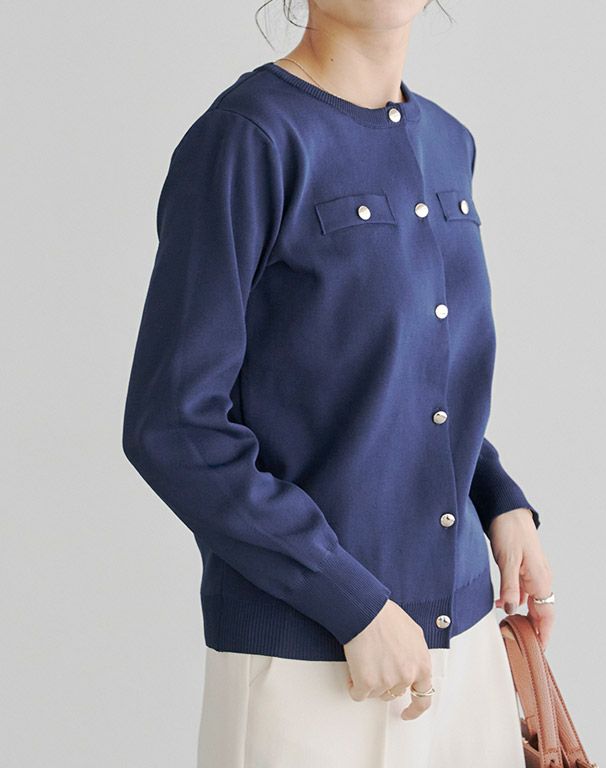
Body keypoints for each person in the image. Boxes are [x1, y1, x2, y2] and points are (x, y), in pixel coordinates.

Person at [122, 2, 555, 765]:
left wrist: (501, 501)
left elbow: (410, 382)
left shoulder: (449, 142)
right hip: (311, 661)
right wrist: (352, 605)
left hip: (467, 648)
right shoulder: (248, 138)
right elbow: (175, 425)